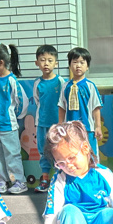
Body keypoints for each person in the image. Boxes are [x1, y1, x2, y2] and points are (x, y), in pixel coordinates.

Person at [0, 42, 29, 195]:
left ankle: (19, 181)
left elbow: (22, 102)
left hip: (8, 125)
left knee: (12, 154)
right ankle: (2, 180)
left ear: (0, 62)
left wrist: (14, 116)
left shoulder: (12, 81)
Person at [58, 47, 104, 161]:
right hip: (70, 130)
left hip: (88, 129)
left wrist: (98, 127)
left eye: (82, 62)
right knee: (73, 155)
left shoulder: (90, 86)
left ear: (87, 66)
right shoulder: (65, 86)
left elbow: (96, 108)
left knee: (91, 155)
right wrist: (60, 125)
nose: (78, 66)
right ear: (69, 65)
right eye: (75, 62)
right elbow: (62, 107)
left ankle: (92, 171)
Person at [33, 44, 67, 193]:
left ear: (56, 63)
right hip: (42, 123)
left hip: (58, 124)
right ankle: (45, 179)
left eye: (50, 60)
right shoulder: (37, 83)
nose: (46, 63)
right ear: (37, 63)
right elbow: (37, 101)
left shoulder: (60, 81)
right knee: (44, 151)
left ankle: (60, 178)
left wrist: (62, 123)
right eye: (42, 60)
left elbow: (63, 102)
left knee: (59, 150)